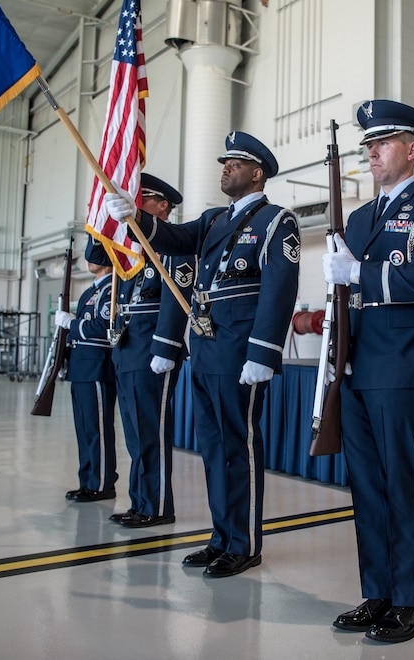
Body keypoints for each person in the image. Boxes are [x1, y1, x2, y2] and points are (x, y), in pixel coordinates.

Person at [104, 132, 300, 577]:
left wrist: (264, 351)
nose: (226, 168)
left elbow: (278, 290)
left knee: (239, 446)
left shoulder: (275, 220)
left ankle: (244, 543)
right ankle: (221, 537)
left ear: (258, 173)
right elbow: (173, 238)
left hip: (240, 351)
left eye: (236, 163)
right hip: (208, 347)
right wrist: (135, 217)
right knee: (214, 448)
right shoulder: (212, 220)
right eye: (224, 162)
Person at [322, 100, 414, 644]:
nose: (373, 152)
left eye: (383, 143)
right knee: (368, 486)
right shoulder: (358, 217)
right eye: (368, 145)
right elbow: (344, 290)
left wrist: (358, 270)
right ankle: (378, 591)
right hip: (355, 360)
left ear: (413, 149)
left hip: (404, 359)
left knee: (405, 481)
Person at [108, 173, 194, 528]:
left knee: (151, 433)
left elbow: (177, 299)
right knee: (135, 434)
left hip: (153, 353)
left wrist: (166, 346)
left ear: (162, 207)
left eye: (142, 202)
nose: (135, 208)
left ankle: (157, 506)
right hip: (129, 349)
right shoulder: (134, 251)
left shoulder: (173, 247)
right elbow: (94, 251)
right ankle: (140, 500)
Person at [58, 239, 117, 503]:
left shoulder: (111, 288)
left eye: (95, 255)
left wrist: (73, 324)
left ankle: (102, 483)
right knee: (83, 428)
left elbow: (104, 327)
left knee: (97, 429)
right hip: (81, 366)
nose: (89, 260)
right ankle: (87, 480)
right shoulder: (90, 291)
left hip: (97, 364)